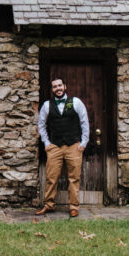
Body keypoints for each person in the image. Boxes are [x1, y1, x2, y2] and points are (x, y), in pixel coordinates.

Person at [35, 76, 90, 217]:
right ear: (52, 89)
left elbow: (85, 123)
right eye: (55, 86)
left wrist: (83, 143)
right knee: (51, 177)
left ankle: (73, 206)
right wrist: (46, 143)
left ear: (64, 86)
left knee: (74, 177)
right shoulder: (47, 105)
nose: (58, 88)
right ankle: (49, 204)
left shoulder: (76, 102)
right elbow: (41, 126)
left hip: (74, 146)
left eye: (60, 85)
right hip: (55, 146)